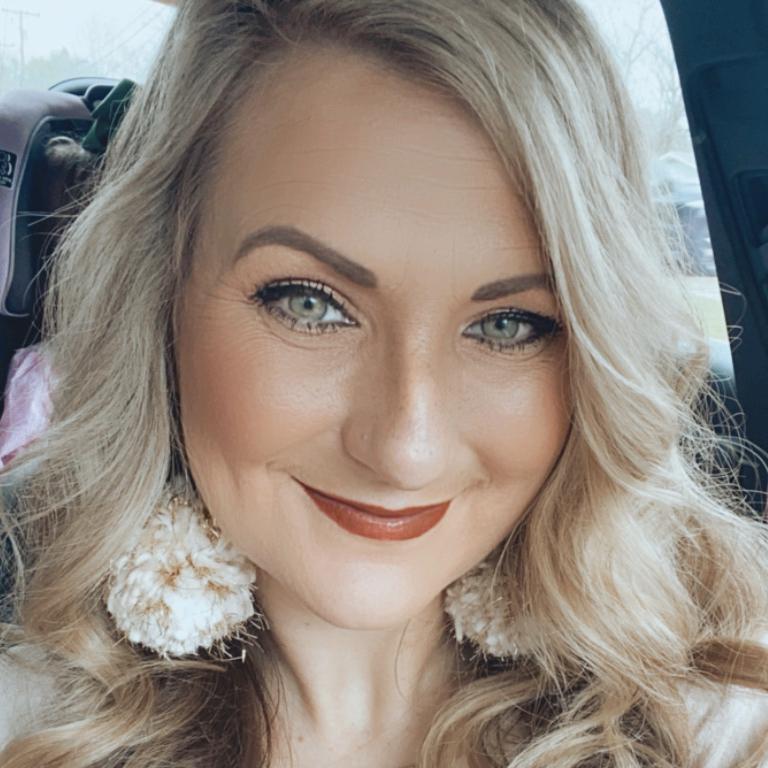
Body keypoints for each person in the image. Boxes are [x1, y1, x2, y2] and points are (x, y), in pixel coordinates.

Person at [1, 0, 768, 766]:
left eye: (508, 324)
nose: (406, 450)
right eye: (310, 304)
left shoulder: (716, 726)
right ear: (159, 297)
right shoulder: (30, 727)